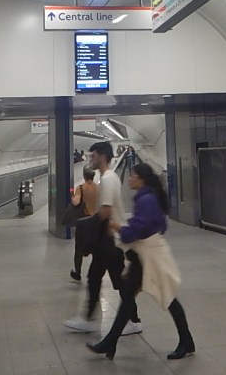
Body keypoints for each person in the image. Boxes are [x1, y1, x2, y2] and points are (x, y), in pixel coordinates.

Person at [86, 163, 195, 361]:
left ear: (141, 179)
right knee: (128, 296)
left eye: (133, 176)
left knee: (168, 297)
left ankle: (186, 341)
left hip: (152, 257)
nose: (130, 179)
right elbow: (152, 226)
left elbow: (136, 232)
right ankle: (110, 342)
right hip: (144, 256)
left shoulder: (146, 200)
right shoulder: (147, 197)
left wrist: (117, 227)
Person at [64, 141, 141, 335]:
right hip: (108, 238)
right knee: (95, 278)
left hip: (110, 238)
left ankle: (133, 320)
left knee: (118, 282)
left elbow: (106, 211)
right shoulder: (109, 178)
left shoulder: (107, 180)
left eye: (94, 155)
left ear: (103, 157)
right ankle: (89, 318)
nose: (91, 159)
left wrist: (88, 226)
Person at [70, 165, 98, 281]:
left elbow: (76, 202)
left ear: (84, 175)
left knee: (79, 250)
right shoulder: (98, 188)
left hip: (83, 223)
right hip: (95, 222)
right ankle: (95, 273)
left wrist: (72, 196)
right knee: (96, 250)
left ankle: (78, 273)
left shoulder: (80, 188)